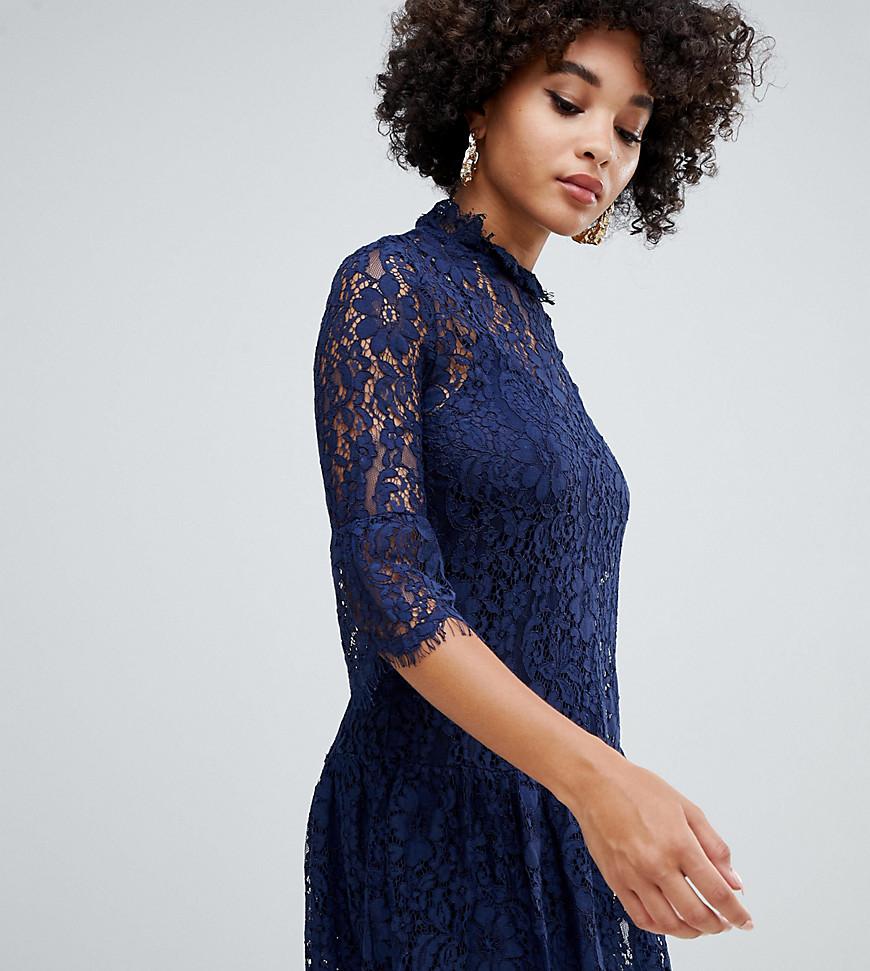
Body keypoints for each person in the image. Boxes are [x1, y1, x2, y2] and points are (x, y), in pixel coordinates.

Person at [305, 2, 773, 967]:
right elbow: (390, 586)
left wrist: (599, 792)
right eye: (568, 101)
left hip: (567, 816)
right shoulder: (390, 288)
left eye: (630, 130)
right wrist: (603, 782)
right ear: (478, 99)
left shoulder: (527, 326)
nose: (602, 146)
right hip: (439, 824)